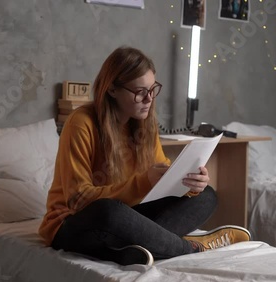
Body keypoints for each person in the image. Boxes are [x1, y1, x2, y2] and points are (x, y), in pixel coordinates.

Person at [39, 46, 251, 266]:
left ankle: (132, 249)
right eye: (140, 91)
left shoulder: (144, 126)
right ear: (112, 89)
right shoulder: (81, 123)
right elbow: (78, 200)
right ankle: (189, 247)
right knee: (109, 211)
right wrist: (142, 183)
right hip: (73, 224)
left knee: (206, 196)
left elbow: (164, 179)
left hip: (129, 216)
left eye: (153, 89)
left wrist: (189, 184)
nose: (149, 99)